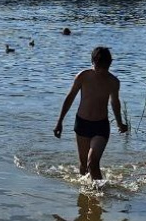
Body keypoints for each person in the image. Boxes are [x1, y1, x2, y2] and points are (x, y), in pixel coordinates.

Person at [53, 47, 128, 180]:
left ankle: (101, 194)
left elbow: (114, 103)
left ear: (109, 64)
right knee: (83, 166)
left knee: (92, 162)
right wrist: (60, 122)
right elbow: (70, 98)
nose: (101, 70)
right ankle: (86, 197)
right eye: (98, 66)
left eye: (104, 67)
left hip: (101, 126)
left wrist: (119, 122)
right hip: (82, 123)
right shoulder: (83, 76)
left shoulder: (113, 82)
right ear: (93, 62)